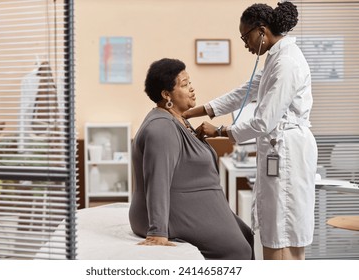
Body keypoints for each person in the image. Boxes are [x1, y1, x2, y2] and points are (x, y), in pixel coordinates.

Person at [183, 2, 318, 260]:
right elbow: (243, 92)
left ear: (261, 31)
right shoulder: (276, 58)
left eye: (246, 37)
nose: (245, 44)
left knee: (282, 232)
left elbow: (263, 122)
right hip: (280, 148)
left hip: (287, 151)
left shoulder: (287, 63)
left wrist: (219, 130)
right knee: (280, 230)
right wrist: (197, 110)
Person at [129, 58, 254, 260]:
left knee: (247, 237)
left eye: (190, 83)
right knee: (239, 251)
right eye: (185, 85)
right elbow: (158, 180)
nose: (192, 89)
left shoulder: (179, 120)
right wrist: (157, 232)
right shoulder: (161, 127)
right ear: (166, 94)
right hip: (174, 211)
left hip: (195, 204)